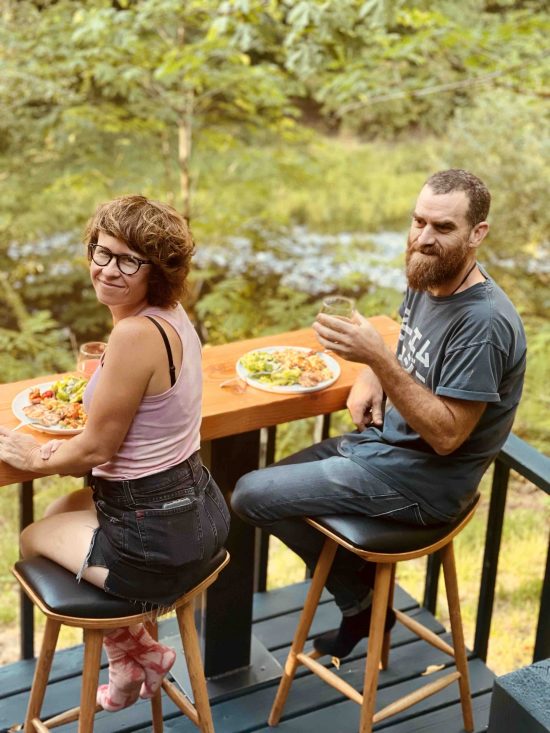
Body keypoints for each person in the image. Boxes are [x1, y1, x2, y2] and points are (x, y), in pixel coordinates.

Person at [231, 169, 526, 660]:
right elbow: (407, 337)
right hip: (384, 448)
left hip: (425, 484)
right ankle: (365, 602)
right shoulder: (427, 274)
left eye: (443, 227)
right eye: (418, 221)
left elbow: (449, 436)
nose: (424, 238)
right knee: (268, 488)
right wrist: (373, 371)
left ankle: (362, 603)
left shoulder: (484, 323)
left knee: (250, 493)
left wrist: (377, 360)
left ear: (479, 234)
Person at [0, 195, 230, 711]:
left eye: (129, 260)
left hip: (155, 544)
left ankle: (134, 653)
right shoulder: (172, 316)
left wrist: (31, 454)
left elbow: (95, 448)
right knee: (65, 510)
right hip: (200, 511)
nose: (107, 270)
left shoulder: (132, 334)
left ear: (160, 269)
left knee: (33, 536)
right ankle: (137, 657)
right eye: (101, 253)